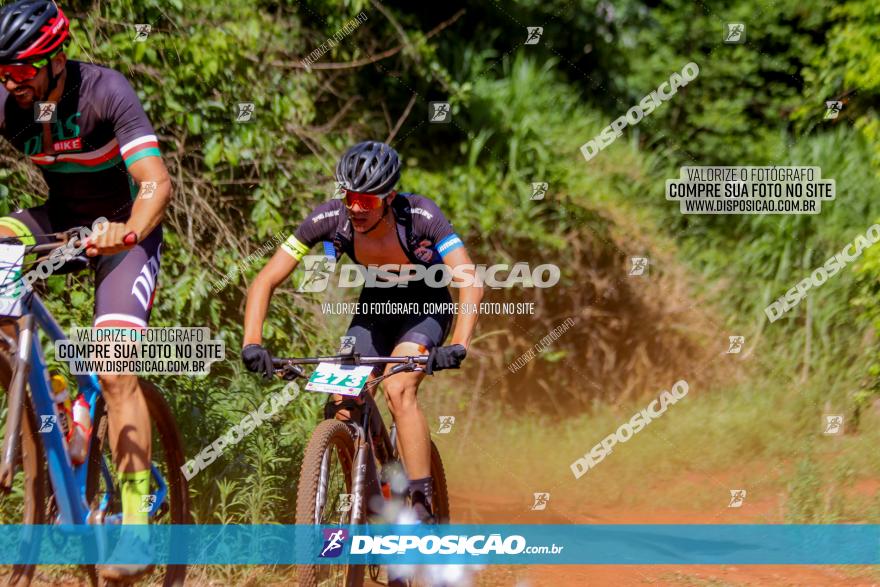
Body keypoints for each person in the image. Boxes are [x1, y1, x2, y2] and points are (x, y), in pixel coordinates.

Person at [0, 1, 170, 579]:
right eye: (3, 70)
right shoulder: (8, 102)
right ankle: (43, 389)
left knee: (118, 368)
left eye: (22, 69)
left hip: (125, 233)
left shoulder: (105, 92)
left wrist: (127, 230)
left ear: (54, 58)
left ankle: (136, 531)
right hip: (58, 220)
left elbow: (154, 183)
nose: (12, 81)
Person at [242, 140, 482, 521]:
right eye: (351, 196)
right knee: (340, 399)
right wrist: (252, 341)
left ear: (389, 197)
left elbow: (470, 280)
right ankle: (366, 496)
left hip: (426, 305)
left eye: (367, 201)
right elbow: (265, 280)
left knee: (397, 387)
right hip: (375, 308)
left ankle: (420, 506)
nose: (356, 207)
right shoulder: (329, 220)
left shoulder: (420, 215)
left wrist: (458, 345)